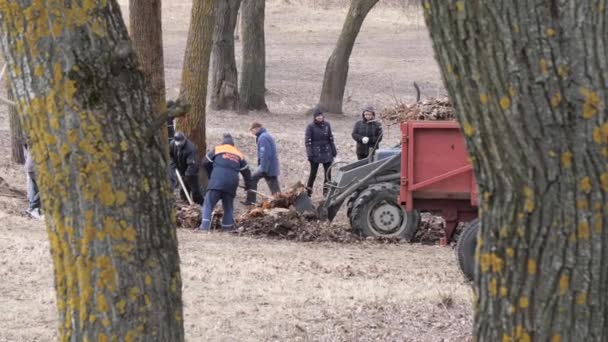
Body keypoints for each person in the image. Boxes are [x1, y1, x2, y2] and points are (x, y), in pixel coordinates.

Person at [200, 133, 252, 231]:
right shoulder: (239, 154)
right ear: (233, 145)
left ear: (223, 143)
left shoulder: (218, 149)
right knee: (228, 207)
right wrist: (248, 185)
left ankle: (205, 227)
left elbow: (204, 162)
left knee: (208, 203)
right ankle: (227, 228)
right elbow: (246, 171)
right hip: (231, 184)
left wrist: (211, 173)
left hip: (216, 181)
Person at [244, 122, 281, 205]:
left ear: (257, 128)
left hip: (267, 166)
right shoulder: (264, 136)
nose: (252, 132)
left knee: (252, 178)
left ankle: (251, 201)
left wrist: (263, 168)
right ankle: (280, 201)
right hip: (270, 166)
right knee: (274, 187)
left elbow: (265, 154)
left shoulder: (263, 137)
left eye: (252, 130)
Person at [305, 107, 337, 196]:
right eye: (317, 116)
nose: (319, 117)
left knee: (328, 173)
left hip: (327, 151)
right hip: (315, 152)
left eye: (321, 116)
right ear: (314, 117)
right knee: (313, 173)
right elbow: (308, 141)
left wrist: (333, 151)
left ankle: (326, 191)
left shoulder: (327, 125)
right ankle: (308, 191)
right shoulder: (310, 127)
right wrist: (309, 154)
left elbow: (330, 138)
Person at [169, 131, 204, 205]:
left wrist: (187, 175)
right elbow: (170, 155)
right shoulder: (172, 144)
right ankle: (185, 203)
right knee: (184, 190)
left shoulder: (190, 148)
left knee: (195, 191)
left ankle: (201, 204)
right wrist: (172, 163)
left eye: (181, 144)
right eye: (178, 144)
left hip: (192, 172)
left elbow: (192, 165)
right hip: (181, 169)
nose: (179, 146)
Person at [24, 144, 43, 220]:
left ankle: (33, 209)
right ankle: (33, 207)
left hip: (29, 168)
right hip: (36, 167)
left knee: (34, 188)